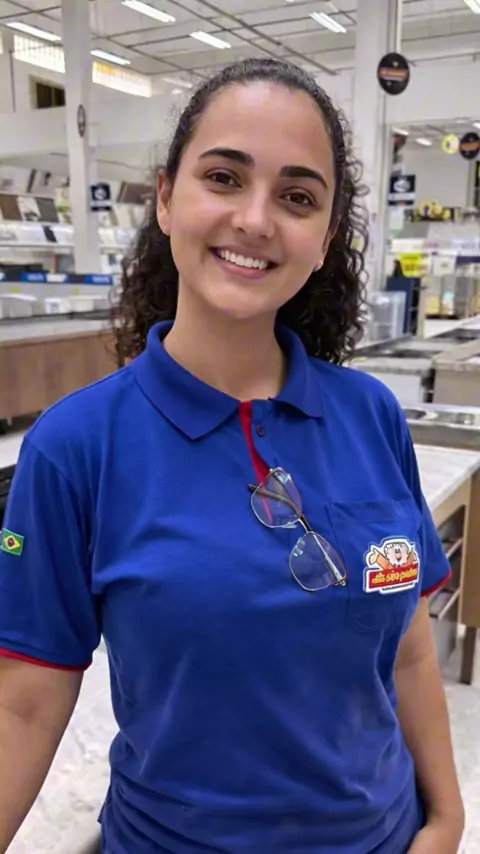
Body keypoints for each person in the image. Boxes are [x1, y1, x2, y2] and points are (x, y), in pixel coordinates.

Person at [0, 58, 464, 854]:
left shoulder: (370, 416)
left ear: (324, 239)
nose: (255, 219)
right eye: (224, 177)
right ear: (167, 198)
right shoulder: (77, 446)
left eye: (297, 197)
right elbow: (24, 702)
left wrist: (447, 820)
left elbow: (410, 653)